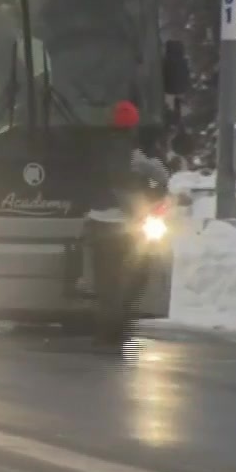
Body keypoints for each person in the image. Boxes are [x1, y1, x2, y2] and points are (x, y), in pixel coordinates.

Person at [82, 100, 170, 347]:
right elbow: (161, 176)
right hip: (127, 226)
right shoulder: (135, 155)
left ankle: (106, 334)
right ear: (134, 125)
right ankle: (119, 330)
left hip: (99, 223)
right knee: (131, 277)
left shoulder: (96, 150)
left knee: (106, 283)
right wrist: (153, 195)